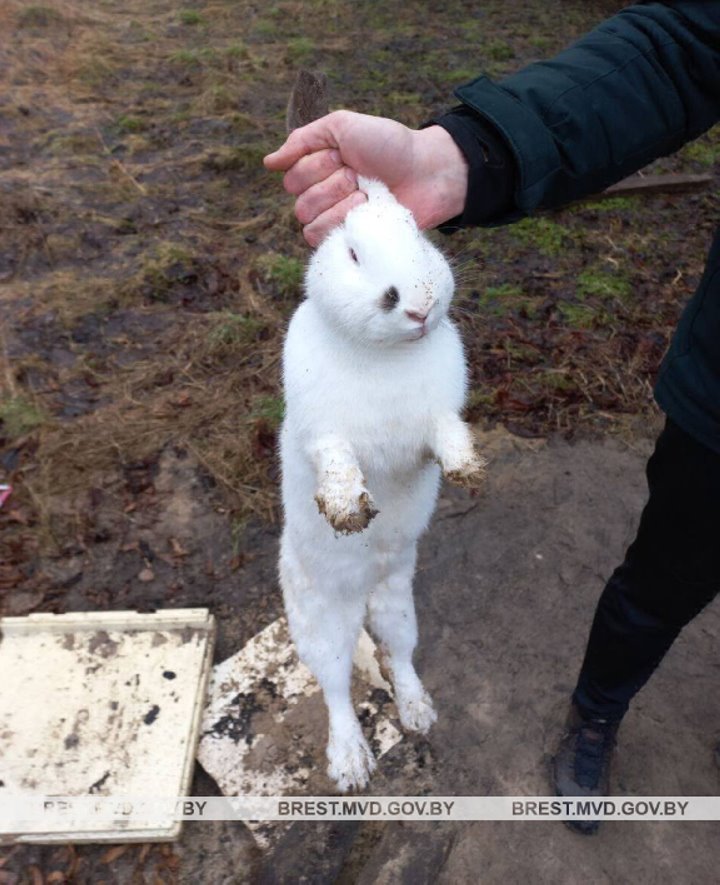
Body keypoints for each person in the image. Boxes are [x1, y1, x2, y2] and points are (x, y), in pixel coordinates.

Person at [264, 1, 720, 834]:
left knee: (396, 590)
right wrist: (337, 473)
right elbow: (316, 429)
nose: (419, 305)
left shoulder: (428, 324)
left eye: (425, 270)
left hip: (398, 526)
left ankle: (401, 669)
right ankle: (338, 702)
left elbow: (441, 407)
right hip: (337, 533)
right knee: (332, 604)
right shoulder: (313, 341)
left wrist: (449, 437)